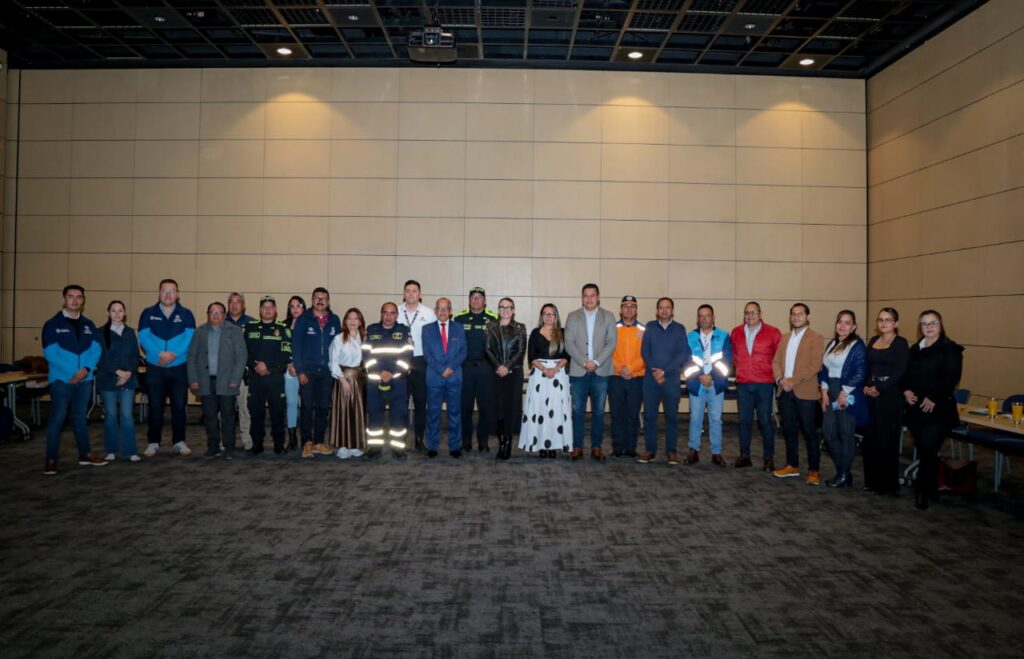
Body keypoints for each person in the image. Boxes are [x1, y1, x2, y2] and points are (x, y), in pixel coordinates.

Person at [903, 310, 963, 510]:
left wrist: (934, 397)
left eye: (933, 323)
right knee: (925, 449)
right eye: (924, 324)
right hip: (916, 409)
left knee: (929, 448)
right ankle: (931, 487)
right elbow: (906, 374)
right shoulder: (915, 349)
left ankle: (922, 491)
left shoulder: (950, 348)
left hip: (939, 409)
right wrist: (905, 390)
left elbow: (952, 377)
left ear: (940, 325)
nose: (928, 327)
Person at [41, 285, 105, 475]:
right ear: (63, 299)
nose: (75, 300)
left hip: (85, 380)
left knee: (80, 418)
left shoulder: (89, 325)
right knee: (58, 419)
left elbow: (96, 350)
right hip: (62, 380)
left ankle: (85, 455)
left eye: (79, 297)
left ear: (83, 300)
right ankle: (51, 459)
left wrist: (85, 370)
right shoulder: (52, 324)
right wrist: (74, 372)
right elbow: (50, 354)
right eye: (71, 297)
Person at [138, 278, 196, 457]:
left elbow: (189, 338)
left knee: (179, 406)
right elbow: (143, 337)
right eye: (165, 291)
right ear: (159, 293)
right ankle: (153, 442)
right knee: (155, 406)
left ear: (177, 294)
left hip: (179, 367)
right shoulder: (148, 313)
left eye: (172, 291)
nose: (168, 294)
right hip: (156, 367)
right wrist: (159, 354)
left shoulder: (186, 314)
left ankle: (179, 441)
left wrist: (173, 355)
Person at [772, 303, 825, 484]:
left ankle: (814, 471)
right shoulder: (785, 337)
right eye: (793, 314)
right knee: (789, 430)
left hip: (805, 392)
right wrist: (780, 379)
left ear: (807, 317)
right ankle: (792, 465)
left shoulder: (816, 337)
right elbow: (776, 361)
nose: (796, 317)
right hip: (785, 391)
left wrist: (792, 381)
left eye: (800, 314)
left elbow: (815, 365)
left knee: (810, 432)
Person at [565, 283, 617, 462]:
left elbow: (611, 342)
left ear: (598, 297)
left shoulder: (608, 316)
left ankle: (596, 447)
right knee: (577, 411)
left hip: (601, 371)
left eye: (592, 295)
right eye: (585, 296)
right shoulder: (572, 317)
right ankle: (577, 447)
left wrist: (596, 362)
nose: (589, 299)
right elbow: (569, 343)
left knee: (599, 412)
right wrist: (584, 362)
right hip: (578, 371)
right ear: (582, 298)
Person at [187, 302, 247, 459]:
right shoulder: (199, 332)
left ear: (224, 315)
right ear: (208, 314)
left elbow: (241, 357)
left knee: (228, 415)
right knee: (209, 415)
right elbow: (192, 357)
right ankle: (213, 446)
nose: (215, 315)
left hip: (227, 381)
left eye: (219, 312)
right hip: (205, 381)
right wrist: (193, 379)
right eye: (212, 312)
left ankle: (229, 447)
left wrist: (235, 379)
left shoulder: (234, 331)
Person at [862, 307, 909, 496]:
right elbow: (868, 367)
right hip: (871, 394)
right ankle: (872, 481)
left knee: (886, 440)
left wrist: (879, 388)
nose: (883, 323)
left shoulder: (900, 343)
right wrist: (867, 385)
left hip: (890, 395)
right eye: (880, 319)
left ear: (896, 323)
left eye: (888, 320)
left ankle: (887, 484)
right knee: (871, 439)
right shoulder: (873, 340)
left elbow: (900, 371)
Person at [818, 310, 868, 488]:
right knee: (828, 432)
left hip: (848, 394)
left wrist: (844, 393)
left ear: (854, 326)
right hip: (831, 393)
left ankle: (843, 474)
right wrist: (824, 392)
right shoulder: (833, 343)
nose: (842, 325)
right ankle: (844, 472)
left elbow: (860, 372)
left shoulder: (857, 345)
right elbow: (825, 369)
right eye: (840, 321)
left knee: (846, 434)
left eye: (847, 323)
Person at [729, 301, 782, 470]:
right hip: (744, 383)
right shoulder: (736, 332)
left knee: (765, 420)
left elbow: (779, 357)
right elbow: (734, 356)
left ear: (760, 314)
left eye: (754, 312)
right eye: (747, 313)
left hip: (764, 384)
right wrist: (742, 369)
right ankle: (745, 456)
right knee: (744, 421)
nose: (750, 316)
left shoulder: (773, 332)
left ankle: (768, 458)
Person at [291, 287, 342, 458]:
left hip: (327, 372)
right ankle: (306, 443)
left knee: (322, 408)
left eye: (323, 298)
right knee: (306, 408)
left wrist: (338, 370)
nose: (320, 301)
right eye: (317, 298)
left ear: (328, 301)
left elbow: (339, 346)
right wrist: (300, 371)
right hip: (308, 372)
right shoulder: (303, 319)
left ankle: (319, 442)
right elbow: (296, 346)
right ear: (312, 301)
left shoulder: (334, 320)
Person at [638, 298, 690, 465]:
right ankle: (650, 450)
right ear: (657, 311)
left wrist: (664, 371)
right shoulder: (650, 327)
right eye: (661, 308)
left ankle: (671, 451)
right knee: (650, 416)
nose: (664, 310)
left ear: (672, 311)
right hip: (651, 379)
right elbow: (645, 351)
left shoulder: (680, 329)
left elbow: (682, 353)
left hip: (671, 379)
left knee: (671, 417)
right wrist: (655, 371)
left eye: (668, 308)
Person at [683, 304, 733, 466]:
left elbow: (727, 361)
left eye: (707, 315)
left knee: (716, 419)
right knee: (695, 418)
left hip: (716, 385)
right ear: (698, 319)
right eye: (701, 316)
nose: (704, 319)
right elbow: (686, 361)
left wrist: (711, 377)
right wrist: (700, 377)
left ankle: (716, 453)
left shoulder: (723, 336)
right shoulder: (690, 337)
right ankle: (693, 450)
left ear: (713, 317)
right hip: (696, 384)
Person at [521, 304, 571, 457]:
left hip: (558, 375)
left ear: (556, 316)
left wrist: (555, 369)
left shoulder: (563, 333)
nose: (548, 317)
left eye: (552, 314)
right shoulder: (535, 333)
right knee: (540, 410)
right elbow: (531, 357)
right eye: (545, 314)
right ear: (541, 316)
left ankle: (553, 445)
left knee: (556, 411)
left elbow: (567, 356)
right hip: (539, 375)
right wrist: (544, 369)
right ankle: (541, 445)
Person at [363, 302, 413, 458]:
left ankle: (398, 448)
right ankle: (374, 447)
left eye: (392, 313)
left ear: (397, 315)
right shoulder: (371, 330)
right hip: (374, 380)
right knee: (374, 414)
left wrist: (392, 372)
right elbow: (366, 355)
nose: (388, 316)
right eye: (385, 312)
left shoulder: (404, 331)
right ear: (381, 313)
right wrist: (380, 372)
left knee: (398, 415)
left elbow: (407, 355)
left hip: (397, 380)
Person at [244, 296, 292, 456]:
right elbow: (244, 351)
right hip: (255, 377)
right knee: (256, 412)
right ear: (260, 310)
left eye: (271, 307)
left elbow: (286, 352)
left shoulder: (283, 329)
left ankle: (279, 444)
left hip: (275, 377)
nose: (267, 310)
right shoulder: (250, 328)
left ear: (275, 310)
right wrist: (255, 365)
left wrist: (268, 366)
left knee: (277, 413)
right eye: (264, 307)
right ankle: (257, 444)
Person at [96, 300, 141, 463]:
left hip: (128, 379)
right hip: (108, 379)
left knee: (127, 416)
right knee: (111, 415)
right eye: (113, 311)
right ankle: (111, 450)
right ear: (108, 313)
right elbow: (99, 357)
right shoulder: (100, 332)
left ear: (125, 313)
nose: (117, 314)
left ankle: (130, 451)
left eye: (120, 310)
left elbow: (136, 356)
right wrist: (117, 372)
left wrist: (128, 373)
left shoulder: (130, 332)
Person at [422, 298, 467, 458]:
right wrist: (442, 369)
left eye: (446, 308)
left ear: (451, 311)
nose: (442, 312)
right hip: (434, 377)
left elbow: (463, 352)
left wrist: (450, 368)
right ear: (435, 311)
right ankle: (432, 446)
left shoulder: (459, 328)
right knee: (433, 413)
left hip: (454, 377)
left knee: (454, 413)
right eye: (439, 309)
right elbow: (427, 353)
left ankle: (455, 446)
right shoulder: (427, 329)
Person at [454, 286, 497, 452]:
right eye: (473, 297)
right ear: (469, 300)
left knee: (485, 407)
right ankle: (466, 441)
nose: (476, 300)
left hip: (485, 368)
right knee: (465, 407)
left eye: (479, 297)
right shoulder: (460, 318)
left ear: (485, 301)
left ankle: (483, 441)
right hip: (465, 368)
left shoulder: (493, 318)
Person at [485, 297, 527, 461]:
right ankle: (501, 443)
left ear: (513, 310)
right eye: (502, 307)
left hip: (513, 374)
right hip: (495, 373)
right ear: (498, 310)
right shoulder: (490, 327)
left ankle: (508, 444)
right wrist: (498, 367)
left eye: (508, 307)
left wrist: (507, 367)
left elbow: (521, 351)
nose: (505, 310)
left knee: (510, 410)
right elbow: (487, 349)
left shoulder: (520, 328)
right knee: (498, 410)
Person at [399, 280, 436, 451]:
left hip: (421, 361)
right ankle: (400, 439)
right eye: (408, 291)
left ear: (420, 294)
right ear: (404, 293)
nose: (411, 294)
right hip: (401, 361)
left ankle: (419, 438)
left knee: (421, 403)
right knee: (401, 402)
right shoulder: (396, 311)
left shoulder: (428, 313)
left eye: (414, 291)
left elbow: (435, 339)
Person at [328, 308, 368, 459]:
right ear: (345, 321)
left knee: (357, 413)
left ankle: (355, 445)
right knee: (343, 412)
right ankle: (343, 446)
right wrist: (342, 380)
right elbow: (333, 362)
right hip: (343, 379)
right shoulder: (339, 339)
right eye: (349, 318)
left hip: (360, 380)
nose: (352, 321)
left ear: (360, 322)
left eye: (356, 319)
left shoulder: (364, 338)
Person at [608, 296, 645, 458]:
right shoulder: (612, 329)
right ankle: (617, 448)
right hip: (616, 377)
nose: (629, 309)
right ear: (620, 310)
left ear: (636, 310)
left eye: (632, 306)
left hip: (636, 378)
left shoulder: (643, 330)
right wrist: (620, 368)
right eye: (625, 306)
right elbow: (607, 351)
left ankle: (631, 448)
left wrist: (630, 368)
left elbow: (646, 354)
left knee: (632, 414)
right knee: (616, 414)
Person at [226, 292, 254, 449]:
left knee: (245, 408)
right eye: (231, 302)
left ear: (243, 305)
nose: (234, 305)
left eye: (238, 302)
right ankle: (225, 440)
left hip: (244, 373)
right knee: (225, 409)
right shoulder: (221, 321)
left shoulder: (252, 323)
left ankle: (247, 439)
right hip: (225, 374)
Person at [284, 296, 306, 451]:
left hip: (306, 370)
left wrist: (300, 367)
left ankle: (306, 438)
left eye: (298, 305)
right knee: (291, 402)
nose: (295, 309)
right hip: (289, 370)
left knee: (305, 404)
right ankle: (292, 437)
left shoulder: (310, 324)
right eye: (292, 306)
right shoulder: (283, 326)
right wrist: (290, 364)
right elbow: (281, 348)